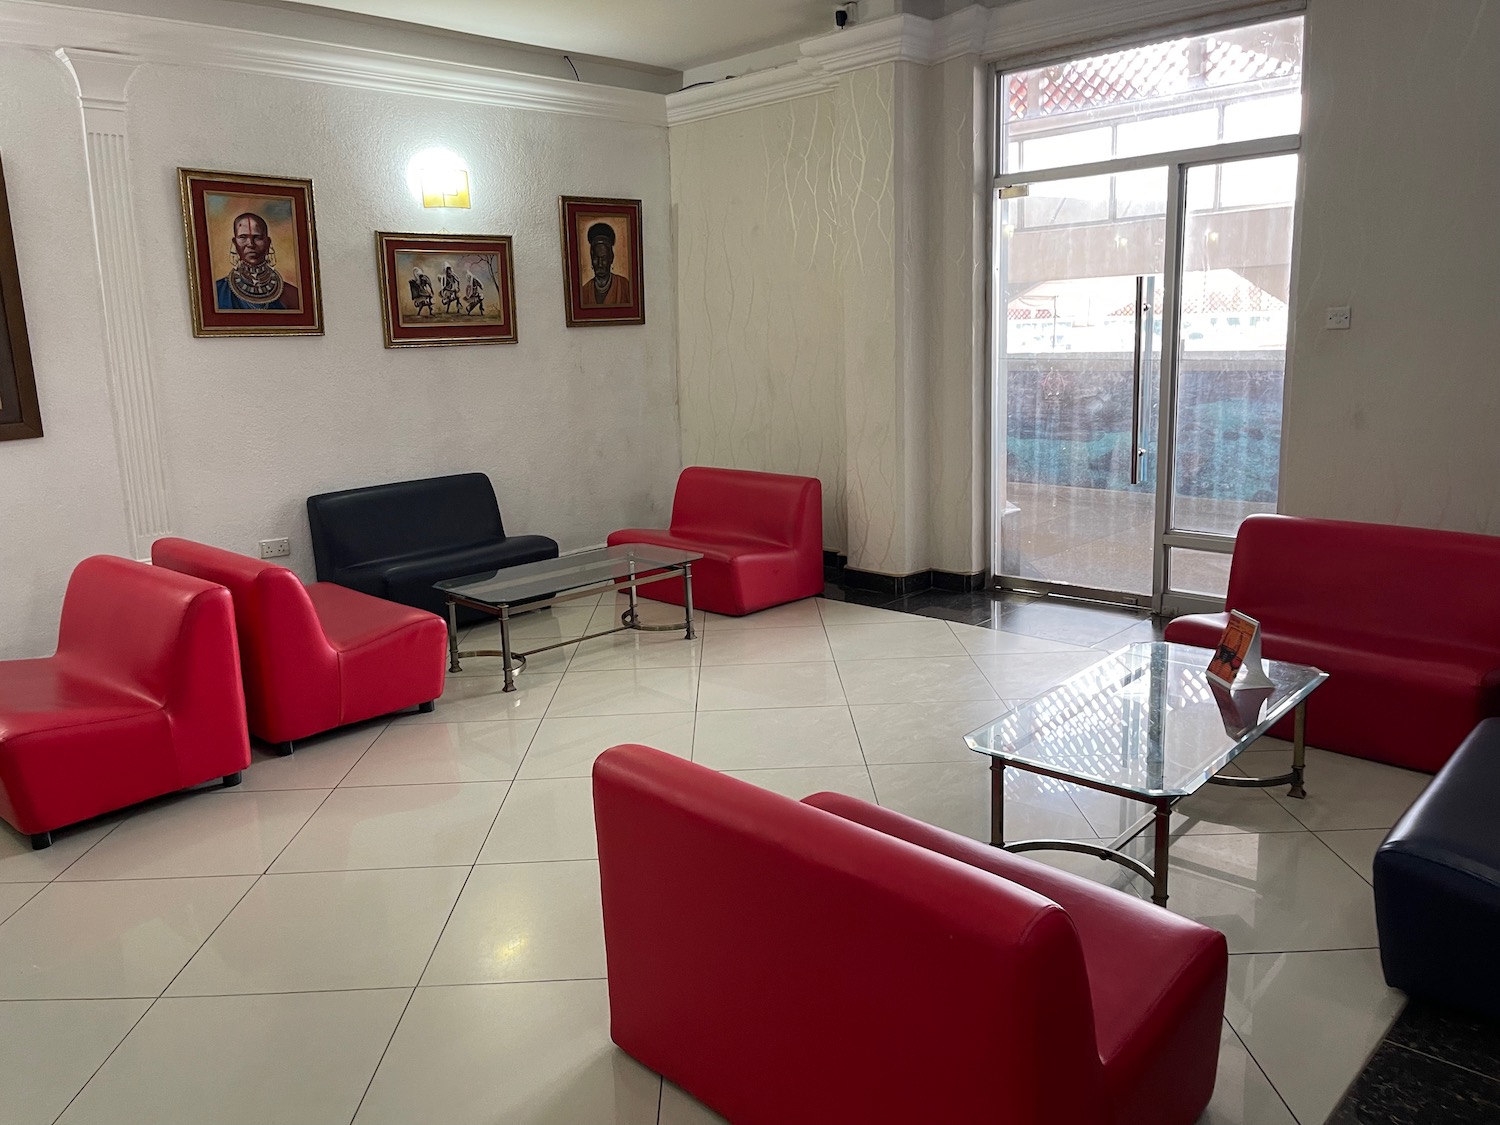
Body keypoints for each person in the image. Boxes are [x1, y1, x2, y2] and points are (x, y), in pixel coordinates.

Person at [214, 212, 301, 311]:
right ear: (235, 243)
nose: (250, 244)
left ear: (268, 243)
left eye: (257, 237)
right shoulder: (217, 292)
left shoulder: (292, 295)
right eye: (243, 237)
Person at [579, 222, 633, 308]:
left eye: (604, 258)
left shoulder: (625, 286)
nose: (600, 264)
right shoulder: (584, 291)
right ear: (591, 259)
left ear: (611, 258)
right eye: (596, 258)